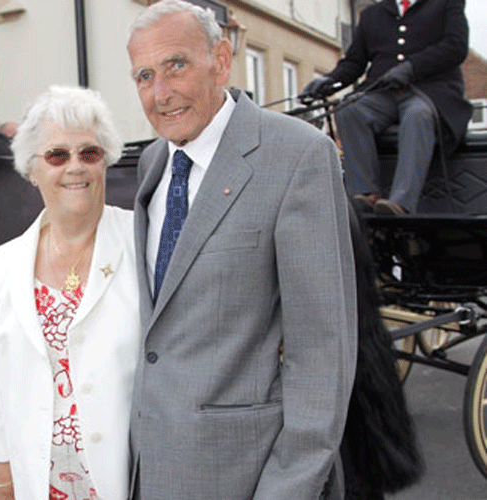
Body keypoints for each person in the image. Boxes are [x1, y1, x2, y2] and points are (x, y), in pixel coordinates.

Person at [126, 2, 357, 499]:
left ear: (222, 60)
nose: (160, 93)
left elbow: (321, 355)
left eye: (176, 65)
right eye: (145, 75)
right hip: (152, 474)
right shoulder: (152, 163)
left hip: (247, 477)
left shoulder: (298, 156)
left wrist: (288, 489)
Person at [0, 85, 138, 500]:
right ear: (32, 170)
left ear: (106, 162)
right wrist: (1, 481)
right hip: (40, 485)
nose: (75, 167)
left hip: (131, 478)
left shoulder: (145, 245)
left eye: (89, 153)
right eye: (57, 155)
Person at [302, 0, 472, 215]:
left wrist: (412, 67)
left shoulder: (445, 4)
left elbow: (455, 47)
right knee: (348, 110)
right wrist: (328, 82)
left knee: (417, 115)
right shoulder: (372, 14)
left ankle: (401, 202)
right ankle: (365, 192)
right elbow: (355, 62)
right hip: (383, 93)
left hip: (429, 91)